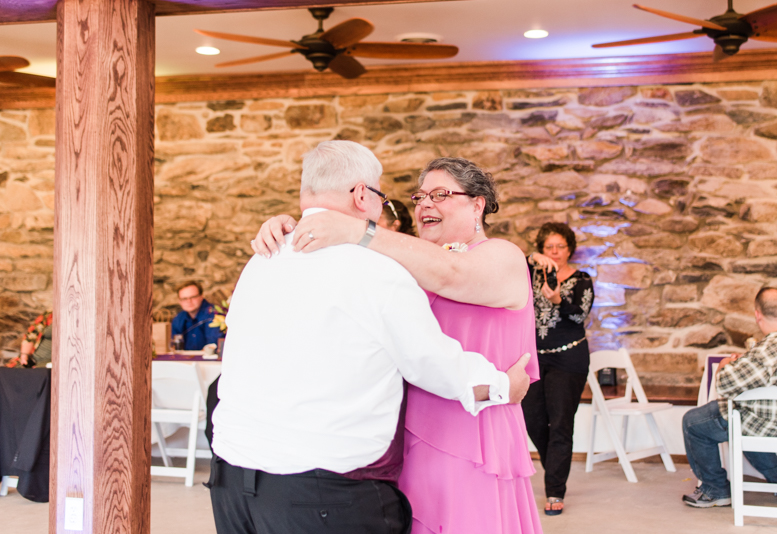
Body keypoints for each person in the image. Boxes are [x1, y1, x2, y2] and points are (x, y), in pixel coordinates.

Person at [211, 140, 532, 534]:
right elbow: (430, 359)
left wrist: (351, 228)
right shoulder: (377, 266)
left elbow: (453, 274)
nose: (424, 204)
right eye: (420, 196)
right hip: (386, 445)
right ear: (363, 195)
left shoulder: (266, 260)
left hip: (469, 429)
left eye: (441, 194)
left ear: (478, 203)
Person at [682, 287, 777, 508]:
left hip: (773, 422)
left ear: (757, 315)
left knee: (694, 421)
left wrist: (725, 365)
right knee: (749, 419)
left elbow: (725, 384)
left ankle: (715, 489)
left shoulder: (768, 352)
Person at [522, 222, 594, 516]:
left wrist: (557, 300)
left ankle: (554, 490)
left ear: (569, 249)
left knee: (561, 423)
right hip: (534, 359)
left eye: (560, 246)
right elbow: (506, 270)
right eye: (548, 247)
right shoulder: (529, 273)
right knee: (533, 421)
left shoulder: (582, 279)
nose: (554, 252)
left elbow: (580, 316)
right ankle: (555, 466)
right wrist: (530, 259)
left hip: (569, 359)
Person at [171, 281, 221, 351]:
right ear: (179, 301)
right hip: (185, 360)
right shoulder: (178, 319)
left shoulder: (214, 314)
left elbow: (213, 345)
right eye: (184, 299)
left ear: (201, 297)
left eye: (193, 297)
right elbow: (174, 347)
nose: (189, 301)